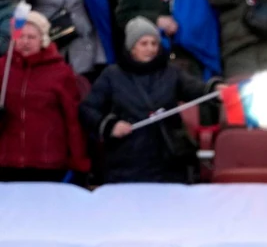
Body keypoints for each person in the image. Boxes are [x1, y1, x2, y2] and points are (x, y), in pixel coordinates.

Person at [79, 16, 222, 184]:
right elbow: (88, 109)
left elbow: (196, 89)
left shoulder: (171, 72)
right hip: (126, 162)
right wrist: (110, 125)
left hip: (169, 160)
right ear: (131, 47)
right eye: (144, 43)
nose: (150, 49)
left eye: (154, 43)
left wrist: (214, 89)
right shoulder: (112, 75)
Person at [0, 10, 90, 181]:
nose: (25, 42)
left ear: (43, 39)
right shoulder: (2, 69)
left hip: (48, 161)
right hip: (6, 160)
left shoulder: (61, 72)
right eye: (21, 36)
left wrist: (79, 161)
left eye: (31, 37)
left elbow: (73, 121)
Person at [15, 0, 114, 79]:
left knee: (82, 88)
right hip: (47, 43)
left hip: (81, 44)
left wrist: (102, 55)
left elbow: (99, 12)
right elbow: (21, 4)